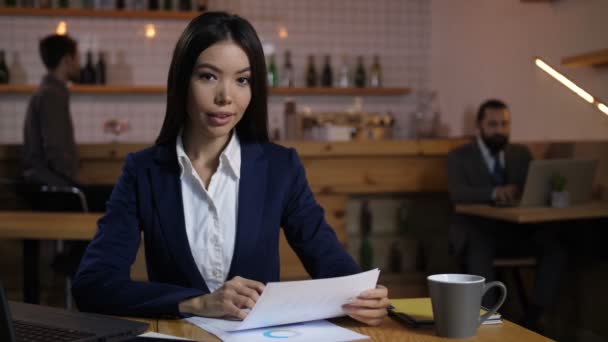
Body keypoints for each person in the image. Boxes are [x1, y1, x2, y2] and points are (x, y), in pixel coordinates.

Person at [72, 12, 389, 326]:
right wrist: (196, 303)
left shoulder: (280, 168)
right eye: (208, 76)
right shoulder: (143, 172)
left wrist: (363, 296)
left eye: (242, 80)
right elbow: (93, 285)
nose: (225, 97)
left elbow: (329, 261)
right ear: (183, 81)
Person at [447, 99, 566, 331]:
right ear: (479, 127)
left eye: (505, 124)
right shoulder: (459, 156)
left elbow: (535, 186)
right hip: (476, 230)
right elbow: (457, 193)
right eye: (493, 124)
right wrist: (494, 192)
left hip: (515, 231)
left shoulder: (521, 154)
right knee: (479, 243)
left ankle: (535, 317)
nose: (500, 130)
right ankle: (485, 320)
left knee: (556, 244)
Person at [23, 34, 80, 187]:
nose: (78, 63)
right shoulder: (51, 95)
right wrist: (73, 183)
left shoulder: (49, 92)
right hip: (52, 186)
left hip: (48, 182)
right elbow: (55, 148)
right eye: (77, 58)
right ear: (67, 60)